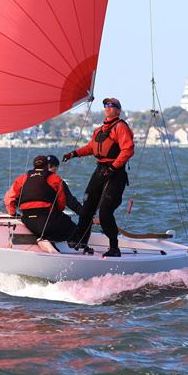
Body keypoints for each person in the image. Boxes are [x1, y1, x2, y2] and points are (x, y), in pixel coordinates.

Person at [62, 97, 134, 257]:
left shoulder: (120, 127)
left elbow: (128, 149)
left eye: (111, 105)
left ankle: (114, 248)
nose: (107, 107)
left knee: (105, 212)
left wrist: (114, 167)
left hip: (115, 173)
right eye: (105, 105)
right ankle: (79, 240)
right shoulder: (100, 130)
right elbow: (91, 148)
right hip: (100, 170)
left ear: (118, 110)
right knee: (87, 207)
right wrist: (74, 154)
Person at [4, 155, 77, 241]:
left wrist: (13, 214)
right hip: (47, 220)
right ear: (47, 166)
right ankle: (58, 244)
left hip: (28, 220)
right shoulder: (55, 178)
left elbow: (8, 199)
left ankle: (45, 240)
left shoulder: (22, 178)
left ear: (34, 165)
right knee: (73, 228)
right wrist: (57, 211)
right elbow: (61, 203)